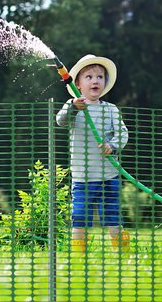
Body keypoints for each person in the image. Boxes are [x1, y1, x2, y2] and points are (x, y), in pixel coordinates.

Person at [56, 54, 130, 252]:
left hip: (109, 176)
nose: (95, 80)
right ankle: (79, 255)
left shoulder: (111, 109)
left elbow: (123, 133)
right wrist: (73, 107)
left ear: (105, 83)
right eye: (88, 77)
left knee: (112, 217)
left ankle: (124, 252)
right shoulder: (73, 105)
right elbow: (60, 120)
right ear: (78, 84)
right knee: (79, 218)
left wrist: (112, 146)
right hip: (82, 178)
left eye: (99, 77)